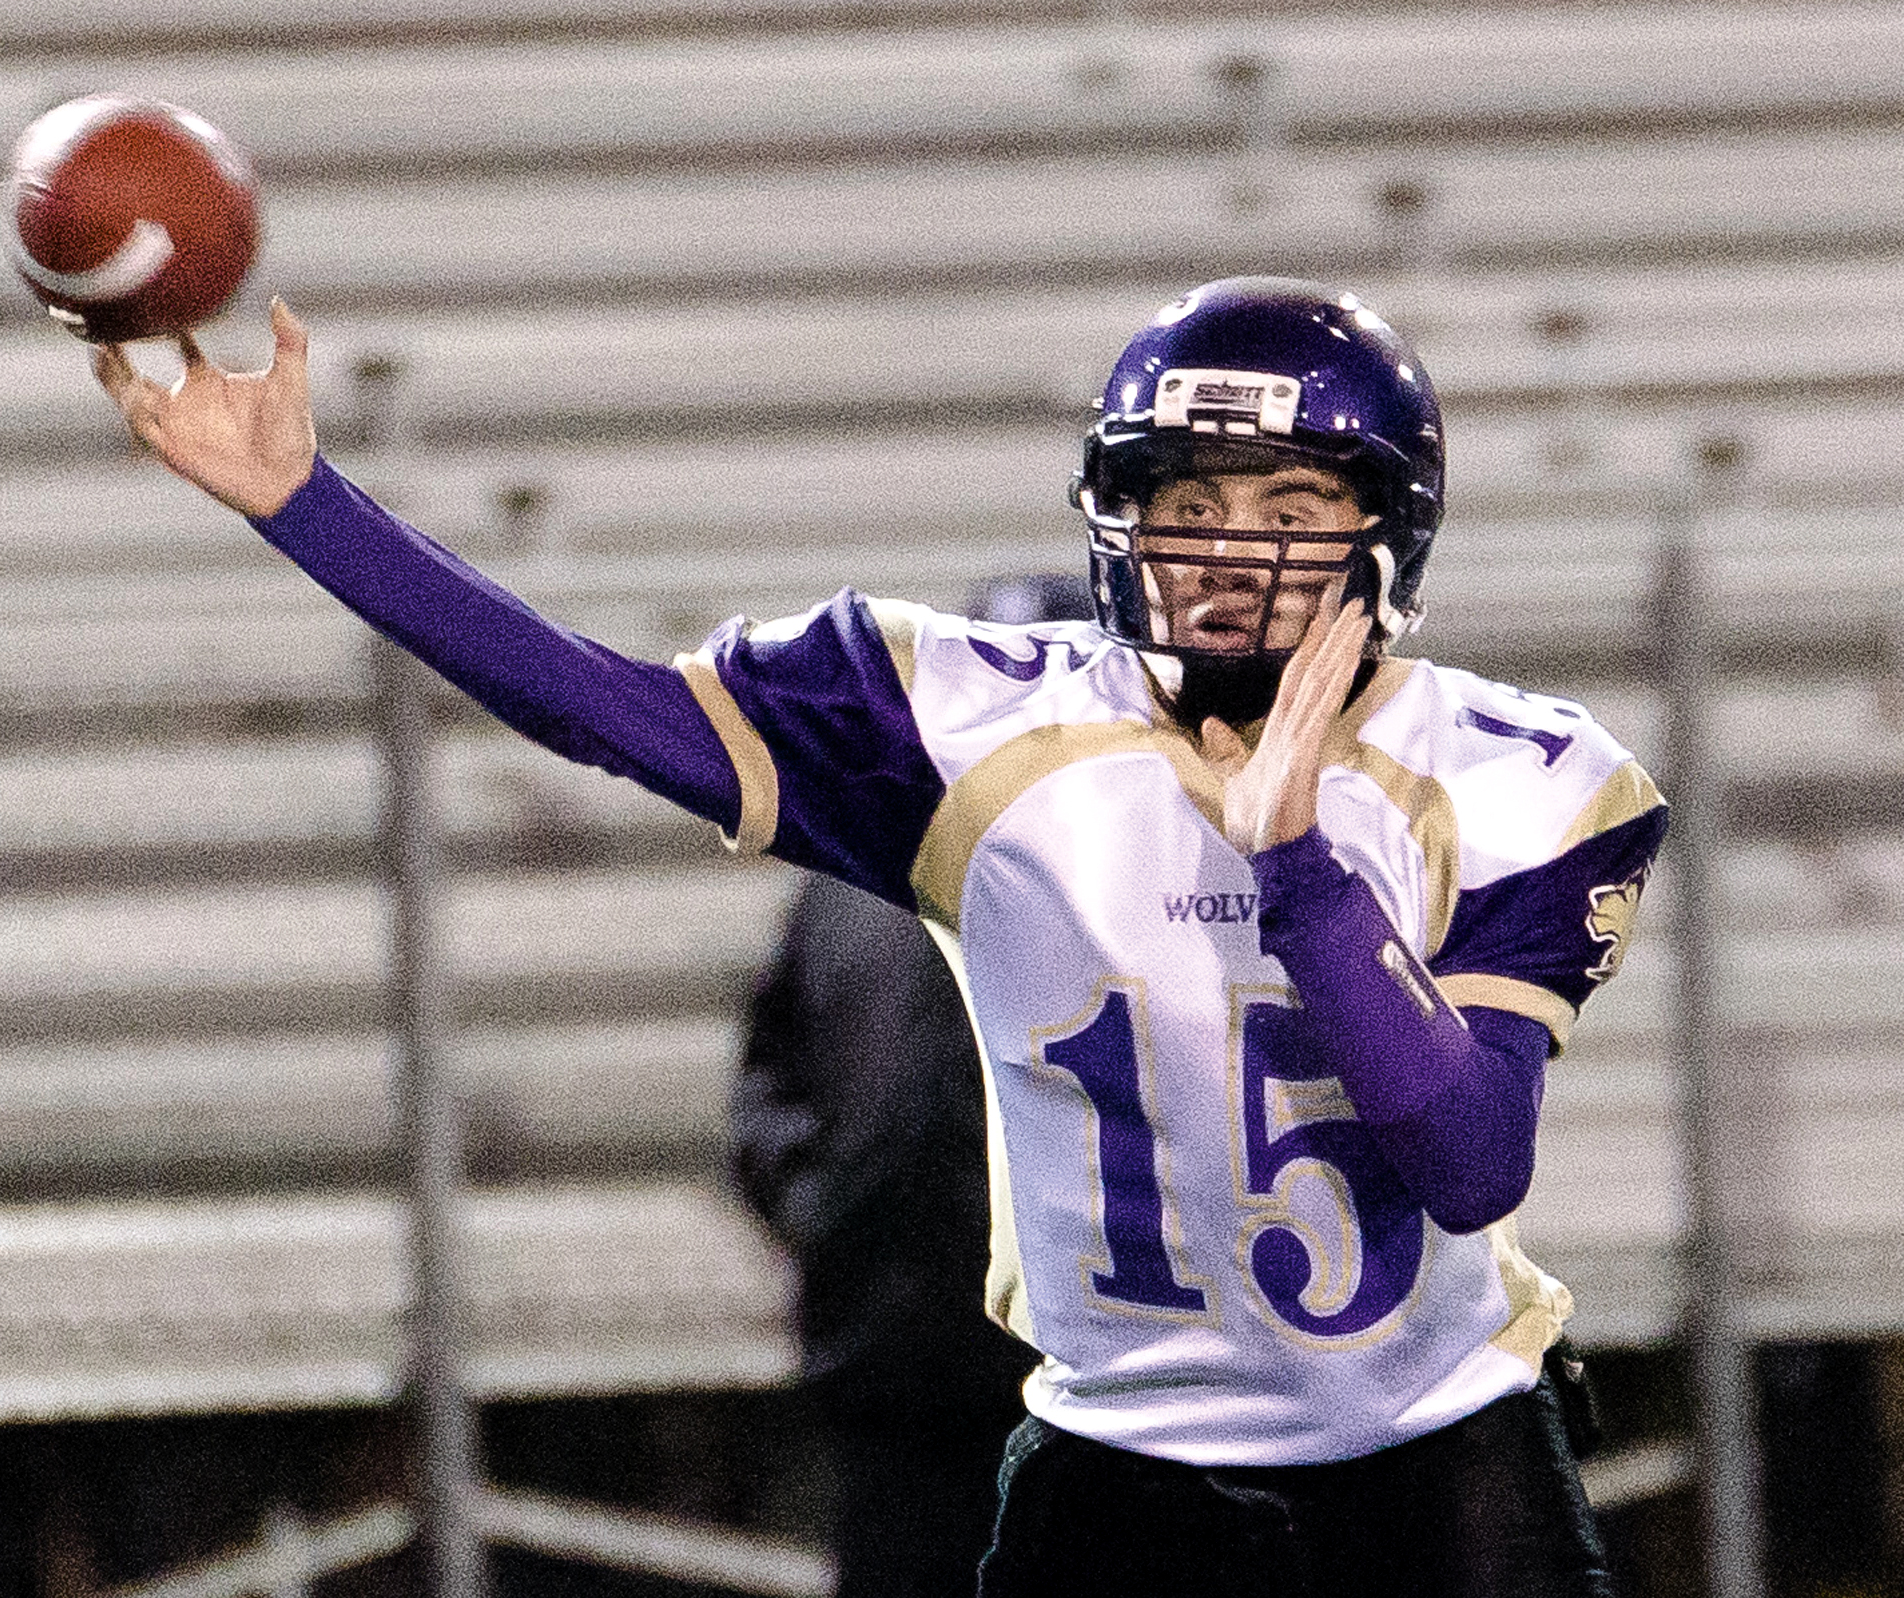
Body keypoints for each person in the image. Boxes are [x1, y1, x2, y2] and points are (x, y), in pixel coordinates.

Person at [92, 276, 1664, 1596]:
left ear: (1385, 530)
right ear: (1118, 521)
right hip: (1116, 1476)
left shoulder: (1517, 774)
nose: (1228, 553)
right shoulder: (977, 723)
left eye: (1290, 504)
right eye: (1186, 501)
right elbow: (601, 706)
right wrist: (308, 504)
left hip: (1438, 1473)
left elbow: (1468, 1161)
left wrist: (1297, 866)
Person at [730, 574, 1087, 1598]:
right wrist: (831, 1215)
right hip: (896, 1373)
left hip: (1089, 1391)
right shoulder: (849, 873)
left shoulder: (1154, 878)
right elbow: (769, 1083)